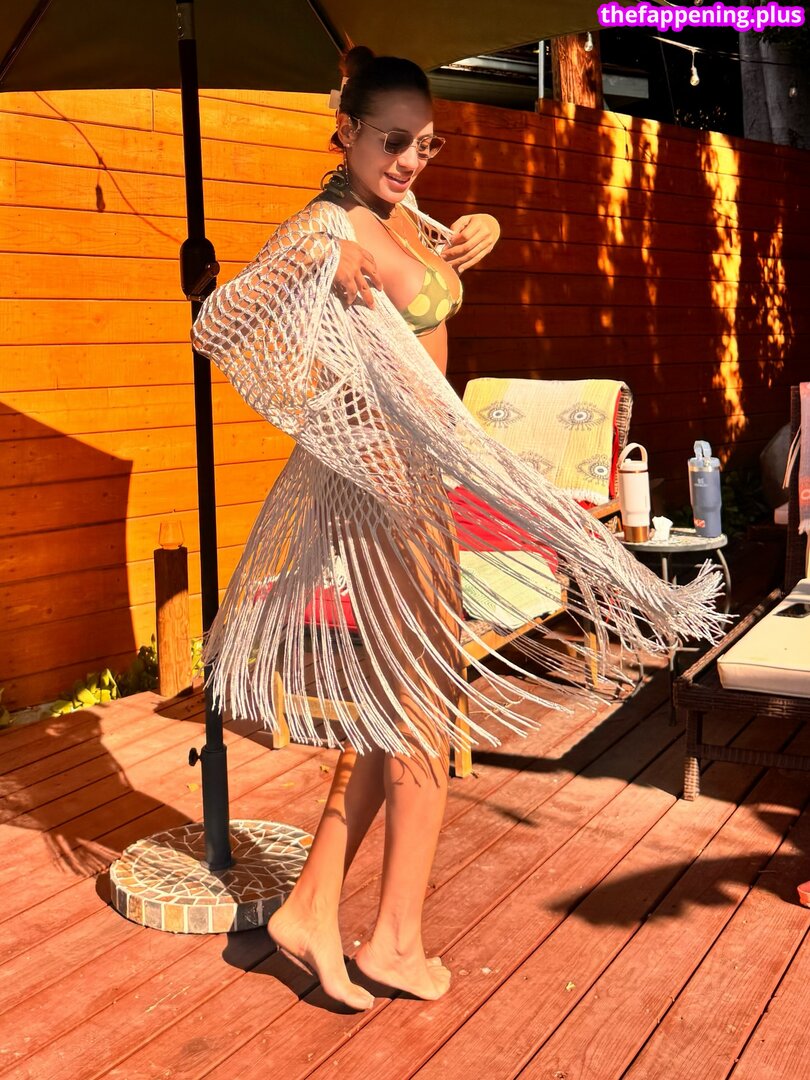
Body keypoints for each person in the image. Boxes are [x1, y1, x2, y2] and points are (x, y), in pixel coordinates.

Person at [191, 48, 725, 1011]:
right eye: (393, 141)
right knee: (424, 708)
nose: (409, 160)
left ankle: (312, 909)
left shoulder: (396, 208)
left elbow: (433, 257)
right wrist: (320, 261)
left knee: (405, 702)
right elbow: (217, 322)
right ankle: (395, 939)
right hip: (381, 482)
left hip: (420, 479)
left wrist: (479, 226)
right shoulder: (323, 225)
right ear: (345, 132)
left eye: (426, 144)